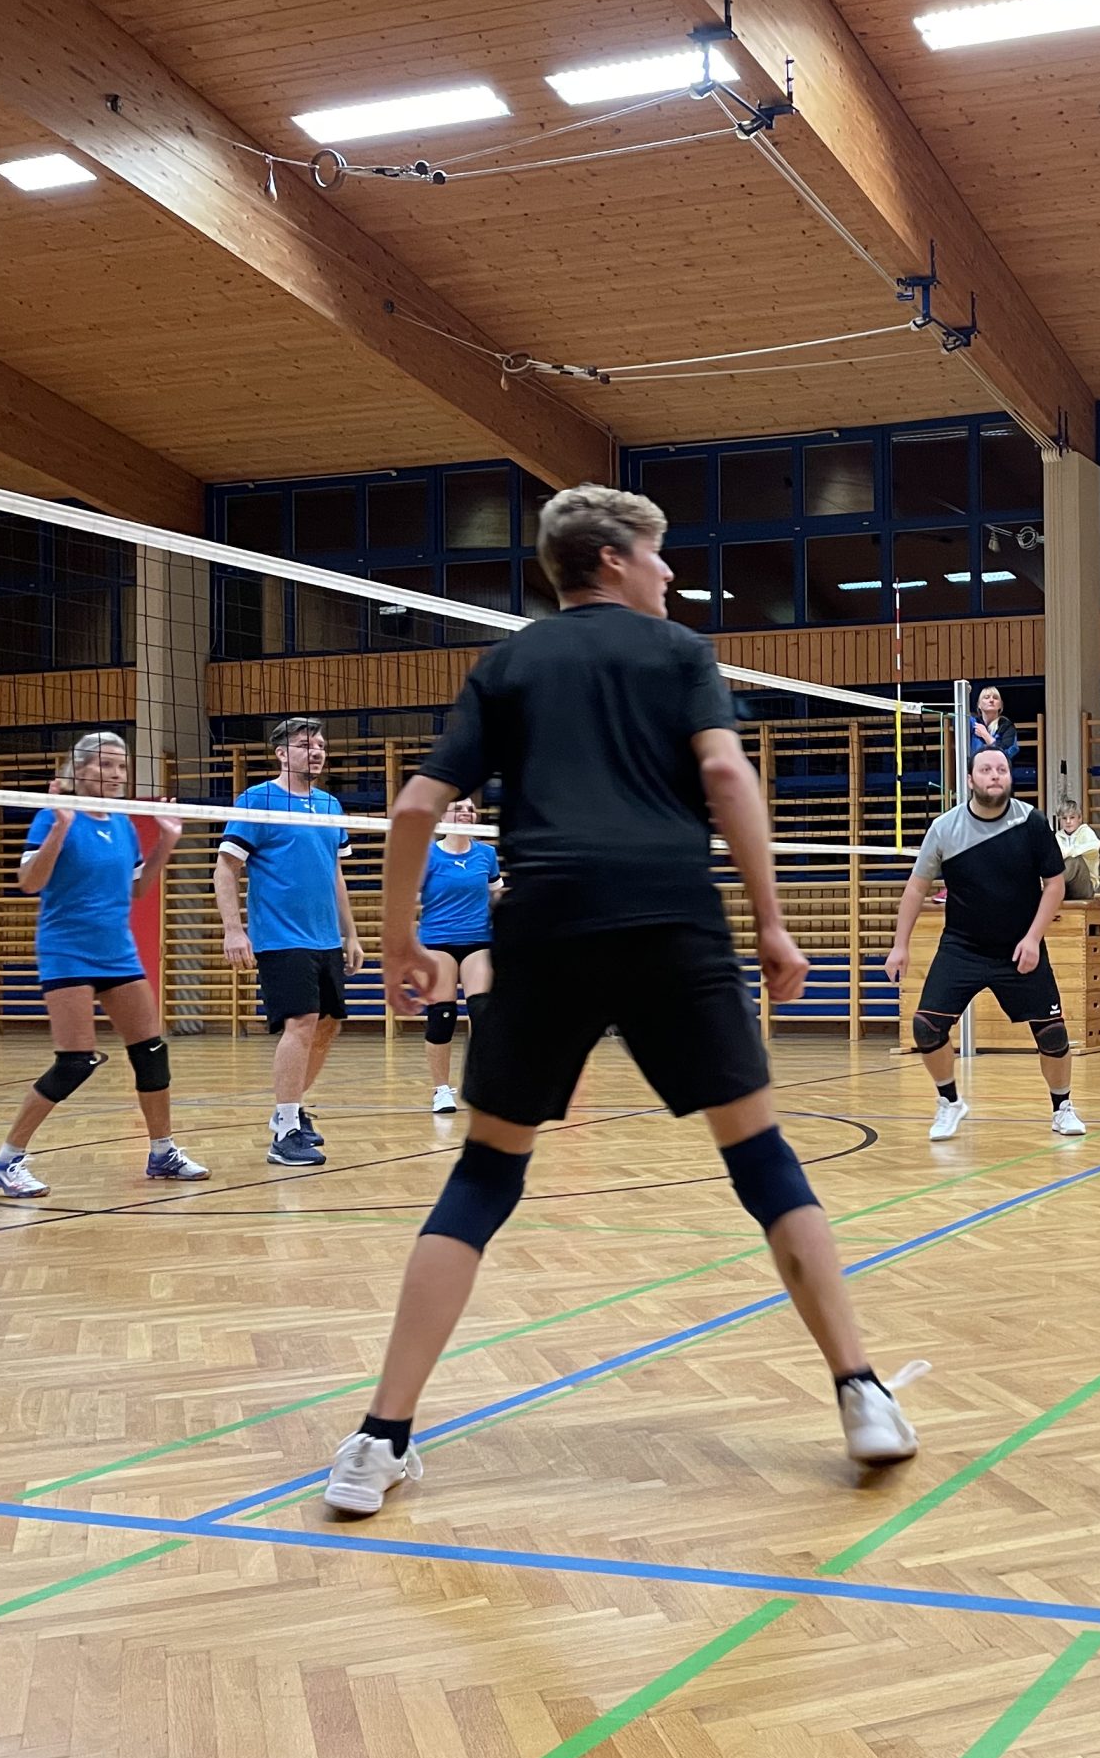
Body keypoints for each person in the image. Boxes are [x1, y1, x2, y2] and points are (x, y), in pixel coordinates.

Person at [324, 483, 919, 1518]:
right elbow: (729, 779)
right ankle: (860, 1394)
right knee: (760, 1156)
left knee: (483, 1177)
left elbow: (418, 803)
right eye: (657, 554)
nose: (669, 573)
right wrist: (772, 922)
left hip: (547, 919)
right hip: (668, 916)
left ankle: (377, 1442)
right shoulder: (677, 651)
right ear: (607, 559)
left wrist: (398, 938)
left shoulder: (506, 664)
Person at [0, 732, 206, 1197]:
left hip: (116, 951)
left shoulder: (121, 823)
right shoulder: (52, 816)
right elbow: (28, 881)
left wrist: (168, 840)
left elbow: (138, 888)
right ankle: (5, 1160)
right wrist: (60, 827)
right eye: (105, 766)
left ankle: (162, 1151)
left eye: (121, 767)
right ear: (79, 770)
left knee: (151, 1051)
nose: (116, 775)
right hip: (67, 950)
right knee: (75, 1062)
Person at [885, 746, 1080, 1141]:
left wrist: (1033, 938)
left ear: (1010, 777)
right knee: (925, 1028)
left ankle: (1062, 1108)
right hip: (963, 947)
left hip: (1019, 948)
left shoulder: (1032, 822)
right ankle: (949, 1102)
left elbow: (1055, 884)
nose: (995, 775)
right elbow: (916, 888)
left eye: (1002, 769)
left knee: (1053, 1034)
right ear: (971, 780)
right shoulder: (944, 828)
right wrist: (899, 945)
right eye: (986, 769)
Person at [215, 716, 364, 1167]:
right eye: (305, 744)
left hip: (325, 937)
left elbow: (335, 874)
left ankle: (293, 1110)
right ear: (281, 753)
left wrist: (351, 933)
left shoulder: (331, 805)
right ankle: (283, 1130)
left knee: (327, 1025)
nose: (315, 751)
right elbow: (225, 869)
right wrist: (233, 929)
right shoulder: (257, 799)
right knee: (301, 1022)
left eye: (320, 744)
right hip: (280, 935)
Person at [415, 797, 501, 1114]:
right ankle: (441, 1090)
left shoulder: (486, 855)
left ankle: (483, 1087)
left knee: (482, 1012)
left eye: (470, 809)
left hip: (478, 940)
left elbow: (495, 894)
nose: (465, 813)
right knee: (443, 1016)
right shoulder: (427, 855)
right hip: (438, 941)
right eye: (458, 808)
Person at [1053, 799, 1100, 903]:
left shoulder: (1087, 833)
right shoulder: (1056, 837)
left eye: (1072, 817)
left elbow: (1094, 846)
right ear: (1059, 820)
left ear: (1079, 818)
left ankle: (1047, 885)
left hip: (1083, 887)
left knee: (1075, 861)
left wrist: (1067, 852)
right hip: (1063, 888)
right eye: (1064, 818)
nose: (1068, 821)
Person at [968, 685, 1019, 766]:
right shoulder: (972, 722)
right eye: (986, 697)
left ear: (1001, 705)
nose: (991, 700)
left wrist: (986, 736)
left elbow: (1007, 754)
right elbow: (957, 721)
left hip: (999, 772)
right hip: (976, 771)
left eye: (995, 697)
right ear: (979, 705)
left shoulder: (1007, 726)